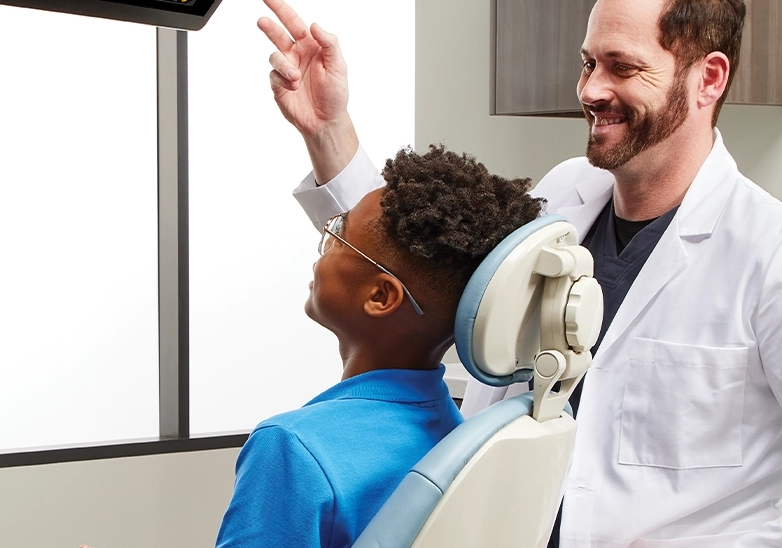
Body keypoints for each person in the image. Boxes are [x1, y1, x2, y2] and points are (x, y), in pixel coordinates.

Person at [259, 0, 782, 547]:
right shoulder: (562, 200)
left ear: (708, 78)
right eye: (588, 62)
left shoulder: (777, 252)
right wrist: (329, 131)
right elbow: (413, 274)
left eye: (623, 67)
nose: (590, 90)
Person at [214, 147, 544, 548]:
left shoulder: (293, 448)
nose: (322, 253)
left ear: (381, 296)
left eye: (337, 237)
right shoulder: (456, 436)